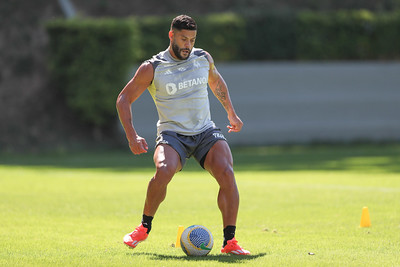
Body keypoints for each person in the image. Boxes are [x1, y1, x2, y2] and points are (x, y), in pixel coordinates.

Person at [116, 14, 250, 255]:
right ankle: (144, 227)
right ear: (171, 36)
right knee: (164, 169)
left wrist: (231, 113)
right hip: (172, 134)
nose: (188, 44)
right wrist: (132, 136)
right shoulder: (153, 67)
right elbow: (123, 99)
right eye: (183, 39)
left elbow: (217, 83)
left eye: (192, 39)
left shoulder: (202, 58)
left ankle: (230, 242)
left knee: (227, 173)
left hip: (205, 131)